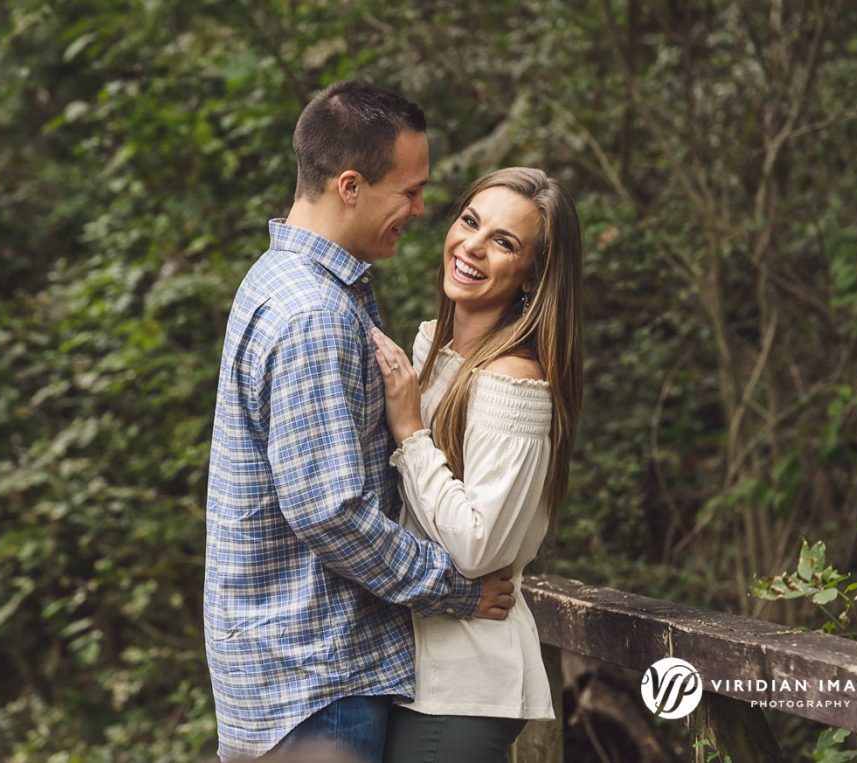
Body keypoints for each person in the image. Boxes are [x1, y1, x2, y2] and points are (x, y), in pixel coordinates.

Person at [204, 81, 516, 763]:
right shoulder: (315, 314)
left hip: (293, 678)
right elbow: (331, 511)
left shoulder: (277, 280)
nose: (422, 209)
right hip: (316, 682)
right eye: (407, 191)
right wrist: (456, 588)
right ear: (350, 186)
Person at [369, 167, 583, 762]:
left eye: (504, 242)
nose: (472, 247)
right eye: (470, 222)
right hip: (414, 671)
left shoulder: (512, 380)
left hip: (461, 687)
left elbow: (479, 547)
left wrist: (411, 432)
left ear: (532, 276)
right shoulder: (436, 348)